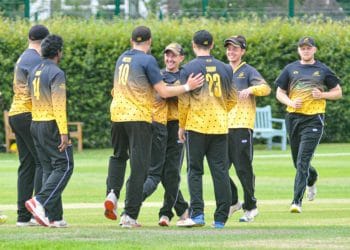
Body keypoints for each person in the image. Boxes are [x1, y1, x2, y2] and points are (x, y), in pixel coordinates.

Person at [103, 26, 204, 228]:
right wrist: (187, 87)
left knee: (118, 156)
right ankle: (129, 216)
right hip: (139, 118)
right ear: (149, 42)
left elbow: (115, 90)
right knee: (141, 168)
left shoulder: (122, 58)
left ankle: (112, 193)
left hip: (117, 115)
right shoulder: (148, 61)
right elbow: (164, 92)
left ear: (132, 41)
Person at [177, 30, 237, 229]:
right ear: (212, 45)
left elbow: (183, 101)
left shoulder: (188, 68)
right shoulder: (226, 68)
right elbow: (233, 99)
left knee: (195, 171)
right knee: (220, 171)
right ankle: (220, 218)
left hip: (196, 126)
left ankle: (198, 214)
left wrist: (182, 125)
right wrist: (220, 111)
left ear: (194, 46)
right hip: (220, 127)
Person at [275, 36, 342, 213]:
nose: (305, 50)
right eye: (302, 48)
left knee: (303, 161)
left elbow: (338, 92)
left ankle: (296, 201)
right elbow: (279, 92)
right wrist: (289, 102)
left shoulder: (322, 70)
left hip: (314, 119)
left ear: (314, 50)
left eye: (308, 48)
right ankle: (312, 179)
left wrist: (323, 95)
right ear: (299, 50)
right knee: (297, 163)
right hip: (293, 118)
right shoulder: (290, 69)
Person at [25, 34, 74, 228]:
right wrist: (63, 131)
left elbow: (30, 99)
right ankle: (39, 202)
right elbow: (59, 104)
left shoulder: (34, 70)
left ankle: (55, 217)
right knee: (65, 166)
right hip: (51, 124)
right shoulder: (56, 72)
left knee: (48, 168)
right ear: (58, 52)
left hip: (35, 124)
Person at [224, 35, 271, 222]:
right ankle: (234, 201)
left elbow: (265, 88)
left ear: (242, 51)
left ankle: (251, 207)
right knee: (218, 168)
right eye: (229, 48)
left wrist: (251, 90)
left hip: (242, 126)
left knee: (243, 169)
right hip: (221, 128)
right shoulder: (222, 70)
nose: (231, 51)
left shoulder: (248, 71)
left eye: (235, 48)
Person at [142, 43, 189, 227]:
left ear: (181, 58)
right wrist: (173, 90)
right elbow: (160, 94)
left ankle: (166, 213)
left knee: (171, 171)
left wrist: (171, 91)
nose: (169, 59)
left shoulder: (185, 75)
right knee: (160, 171)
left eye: (174, 56)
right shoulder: (159, 74)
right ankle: (183, 209)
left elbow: (178, 95)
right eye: (167, 55)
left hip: (177, 126)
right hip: (159, 125)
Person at [8, 24, 49, 227]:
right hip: (28, 113)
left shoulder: (23, 56)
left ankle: (22, 216)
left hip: (16, 112)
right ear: (45, 41)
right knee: (42, 161)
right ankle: (37, 210)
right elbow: (39, 89)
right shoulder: (36, 59)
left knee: (27, 164)